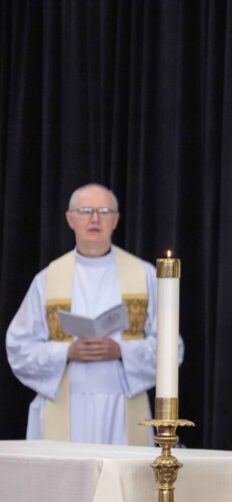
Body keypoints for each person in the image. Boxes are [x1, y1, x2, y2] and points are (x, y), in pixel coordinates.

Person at [6, 184, 182, 445]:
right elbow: (18, 348)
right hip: (65, 404)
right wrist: (66, 352)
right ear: (70, 219)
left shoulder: (144, 275)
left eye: (104, 211)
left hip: (123, 407)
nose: (95, 218)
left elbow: (172, 347)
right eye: (86, 210)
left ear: (116, 220)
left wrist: (121, 350)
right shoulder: (47, 279)